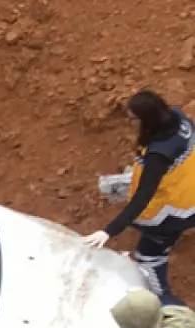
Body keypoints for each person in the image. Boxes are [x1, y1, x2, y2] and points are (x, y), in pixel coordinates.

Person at [83, 90, 195, 299]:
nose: (131, 122)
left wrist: (108, 231)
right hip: (187, 184)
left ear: (148, 119)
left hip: (173, 213)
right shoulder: (178, 118)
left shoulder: (158, 155)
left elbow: (143, 198)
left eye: (134, 118)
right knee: (115, 184)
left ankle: (164, 302)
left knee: (149, 257)